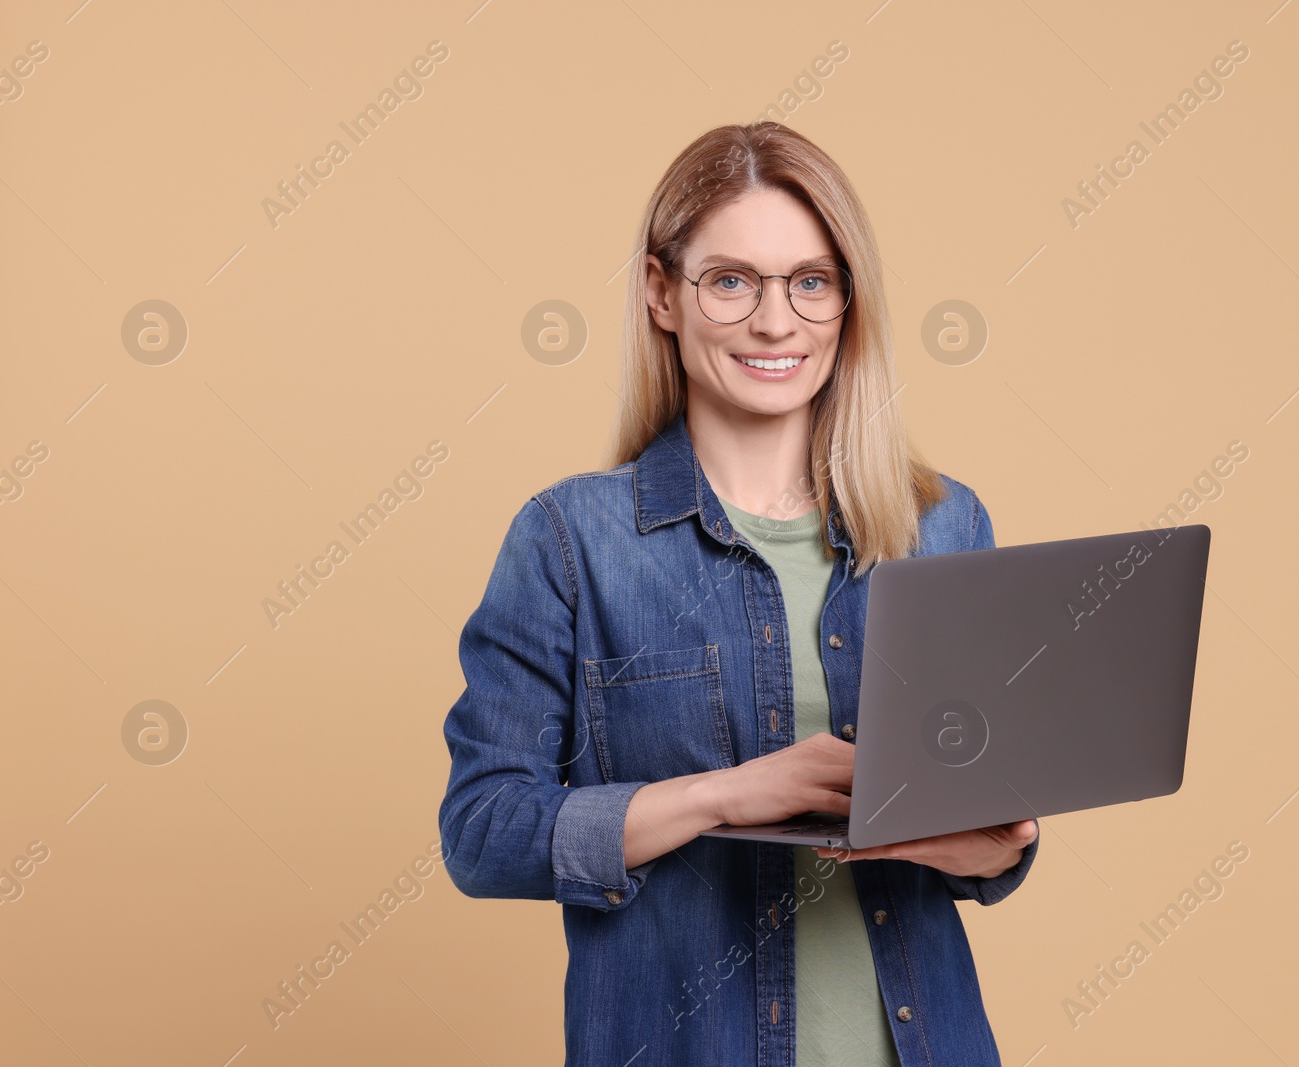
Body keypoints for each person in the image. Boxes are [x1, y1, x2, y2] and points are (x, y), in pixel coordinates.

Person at [438, 120, 1040, 1067]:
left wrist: (998, 849)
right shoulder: (569, 540)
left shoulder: (944, 526)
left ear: (847, 302)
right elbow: (482, 832)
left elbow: (993, 837)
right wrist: (729, 796)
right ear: (661, 294)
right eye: (731, 281)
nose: (776, 322)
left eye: (811, 281)